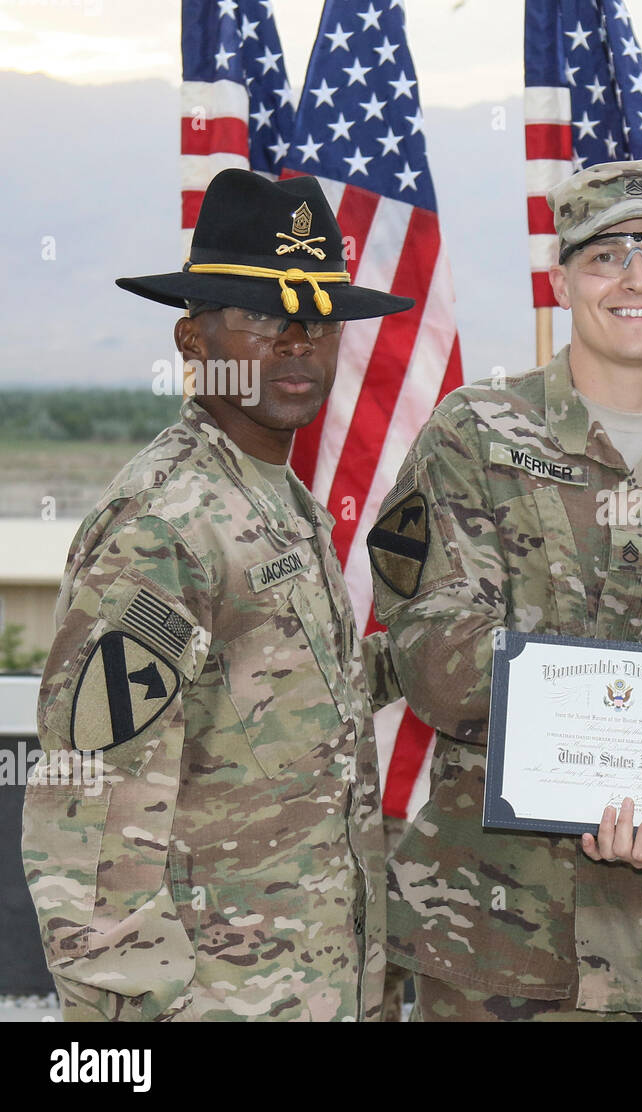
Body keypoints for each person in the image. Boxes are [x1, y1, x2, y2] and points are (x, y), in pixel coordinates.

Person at [370, 160, 642, 1021]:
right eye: (606, 254)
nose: (636, 278)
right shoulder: (476, 436)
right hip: (496, 950)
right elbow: (437, 660)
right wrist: (616, 760)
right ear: (562, 276)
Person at [22, 169, 411, 1021]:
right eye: (261, 315)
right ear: (192, 339)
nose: (297, 342)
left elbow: (286, 700)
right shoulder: (166, 525)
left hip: (318, 990)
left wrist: (448, 652)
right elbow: (91, 809)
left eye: (316, 319)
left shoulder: (272, 495)